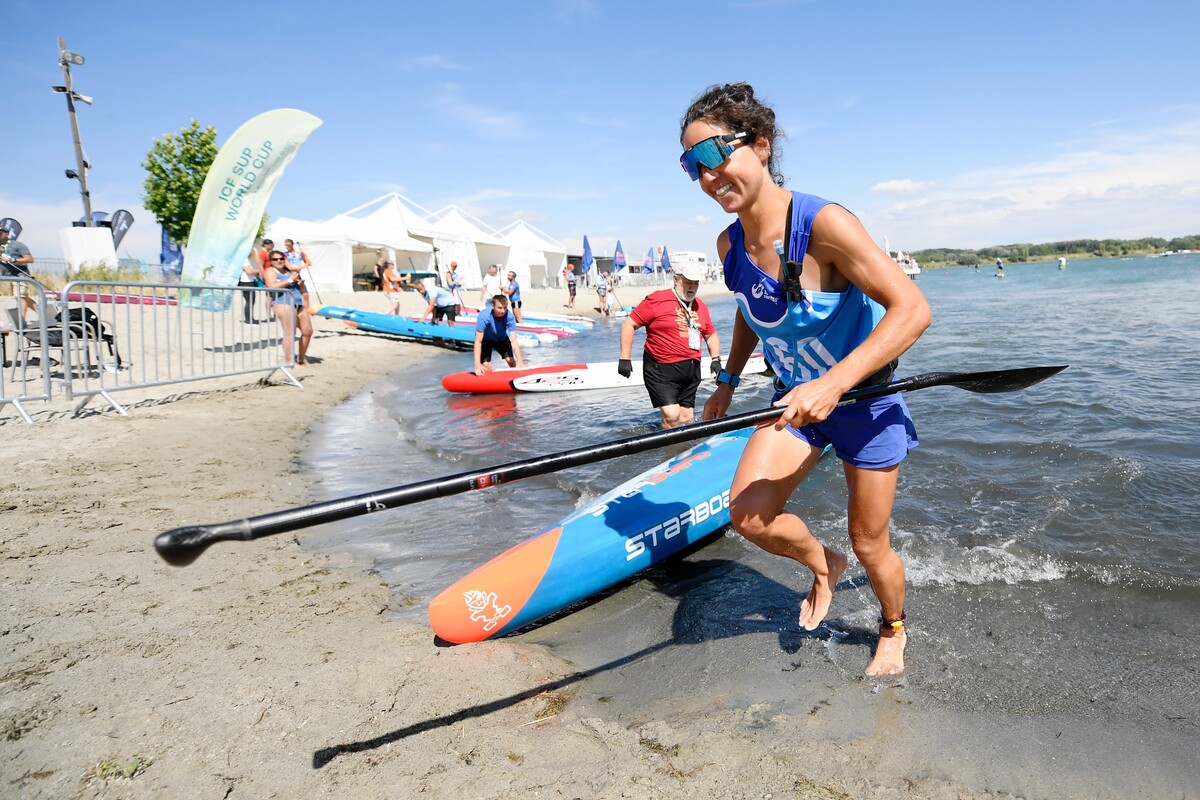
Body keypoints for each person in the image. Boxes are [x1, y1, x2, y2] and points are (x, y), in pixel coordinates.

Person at [683, 83, 931, 676]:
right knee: (749, 518)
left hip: (865, 404)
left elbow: (912, 309)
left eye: (715, 153)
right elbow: (751, 308)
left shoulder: (824, 223)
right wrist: (726, 379)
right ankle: (824, 565)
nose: (707, 175)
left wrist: (834, 383)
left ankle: (893, 629)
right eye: (692, 165)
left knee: (873, 543)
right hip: (793, 400)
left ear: (760, 146)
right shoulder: (730, 243)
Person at [618, 260, 720, 429]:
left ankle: (685, 452)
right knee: (672, 416)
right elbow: (629, 324)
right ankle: (669, 452)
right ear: (675, 279)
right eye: (688, 282)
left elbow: (710, 334)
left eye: (696, 283)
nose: (692, 287)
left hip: (691, 370)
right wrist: (624, 359)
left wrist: (715, 360)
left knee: (687, 417)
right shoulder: (657, 299)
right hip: (661, 369)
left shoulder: (700, 306)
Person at [261, 249, 313, 367]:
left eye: (281, 258)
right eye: (275, 259)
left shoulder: (290, 271)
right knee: (290, 333)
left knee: (307, 331)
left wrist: (301, 285)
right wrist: (290, 280)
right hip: (283, 302)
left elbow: (302, 288)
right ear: (271, 261)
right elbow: (272, 286)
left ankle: (301, 358)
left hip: (298, 302)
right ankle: (290, 361)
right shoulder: (270, 271)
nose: (279, 261)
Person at [473, 294, 524, 375]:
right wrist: (477, 365)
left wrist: (520, 361)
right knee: (486, 365)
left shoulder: (510, 317)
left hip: (501, 339)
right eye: (500, 308)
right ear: (492, 306)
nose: (503, 311)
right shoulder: (484, 316)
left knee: (510, 360)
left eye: (505, 308)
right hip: (486, 340)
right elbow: (478, 341)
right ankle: (489, 383)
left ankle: (516, 376)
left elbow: (514, 340)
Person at [0, 228, 35, 322]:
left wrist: (13, 260)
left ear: (7, 234)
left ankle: (21, 321)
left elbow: (30, 259)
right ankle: (42, 311)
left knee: (19, 295)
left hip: (20, 274)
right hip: (6, 275)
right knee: (24, 296)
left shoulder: (17, 245)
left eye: (0, 233)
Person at [237, 248, 261, 324]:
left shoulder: (246, 260)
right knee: (249, 301)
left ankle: (250, 318)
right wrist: (258, 271)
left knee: (251, 301)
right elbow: (249, 271)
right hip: (246, 282)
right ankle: (248, 319)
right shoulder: (245, 260)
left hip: (248, 282)